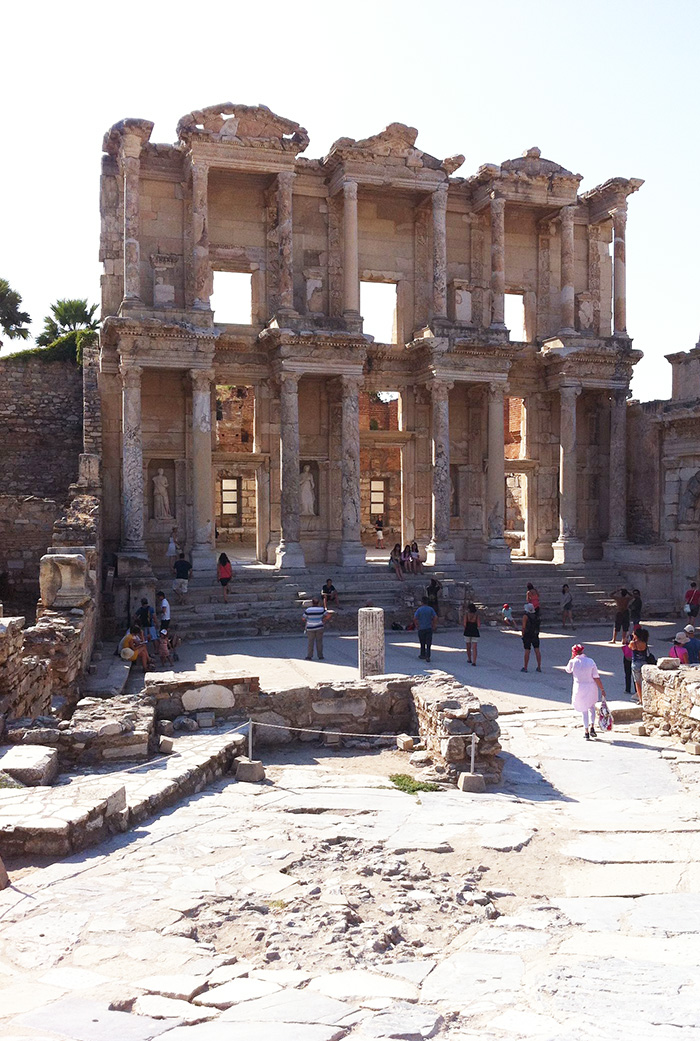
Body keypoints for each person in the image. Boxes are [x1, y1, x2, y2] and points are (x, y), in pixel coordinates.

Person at [566, 643, 607, 740]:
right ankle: (592, 726)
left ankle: (586, 731)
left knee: (584, 710)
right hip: (591, 687)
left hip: (579, 687)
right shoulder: (590, 661)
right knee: (591, 707)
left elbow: (568, 670)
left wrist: (571, 658)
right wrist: (602, 689)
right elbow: (596, 677)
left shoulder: (573, 662)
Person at [629, 626, 650, 704]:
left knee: (637, 682)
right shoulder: (644, 643)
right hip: (644, 663)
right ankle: (646, 697)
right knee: (644, 681)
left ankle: (640, 699)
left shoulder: (633, 643)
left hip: (636, 663)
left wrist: (633, 639)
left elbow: (630, 647)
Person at [414, 596, 438, 663]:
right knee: (428, 643)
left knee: (422, 642)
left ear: (422, 602)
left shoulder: (419, 610)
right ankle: (428, 656)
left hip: (421, 628)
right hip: (429, 628)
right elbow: (435, 617)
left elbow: (415, 618)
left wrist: (416, 625)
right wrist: (434, 624)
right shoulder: (430, 609)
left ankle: (422, 654)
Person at [521, 603, 541, 673]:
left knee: (527, 650)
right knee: (537, 650)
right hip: (535, 634)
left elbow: (523, 627)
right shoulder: (536, 616)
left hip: (527, 634)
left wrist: (522, 634)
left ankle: (525, 667)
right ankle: (539, 667)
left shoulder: (525, 616)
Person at [462, 601, 480, 666]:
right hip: (475, 631)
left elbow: (464, 624)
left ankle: (469, 659)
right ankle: (474, 661)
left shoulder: (466, 615)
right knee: (474, 647)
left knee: (468, 646)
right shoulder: (476, 615)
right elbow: (478, 625)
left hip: (467, 631)